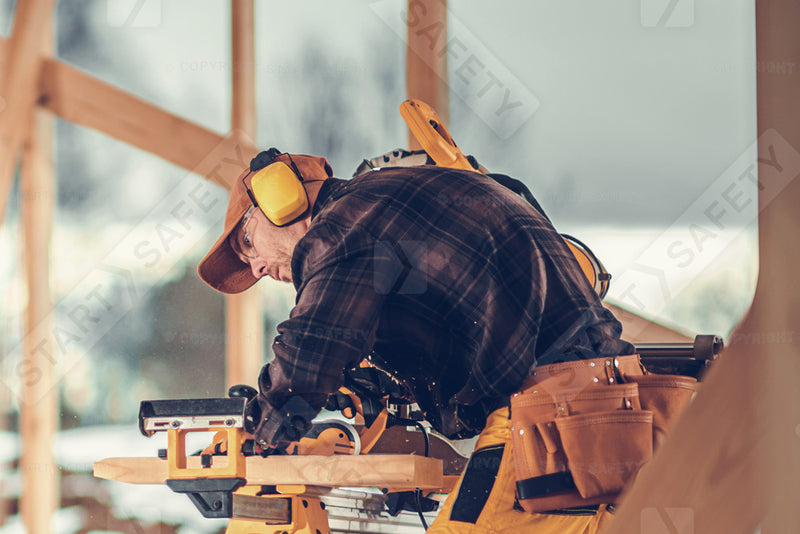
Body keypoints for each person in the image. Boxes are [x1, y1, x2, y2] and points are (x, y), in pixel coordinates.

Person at [197, 148, 637, 533]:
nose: (256, 268)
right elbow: (435, 316)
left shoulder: (345, 226)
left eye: (248, 243)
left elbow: (313, 346)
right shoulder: (398, 202)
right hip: (614, 410)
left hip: (549, 419)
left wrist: (259, 432)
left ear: (280, 197)